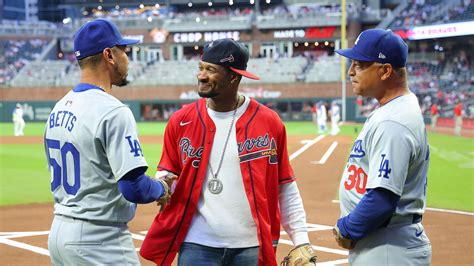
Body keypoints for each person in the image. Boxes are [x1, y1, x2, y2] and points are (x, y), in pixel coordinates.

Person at [140, 38, 316, 265]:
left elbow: (285, 185)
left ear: (234, 76)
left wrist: (301, 240)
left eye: (210, 70)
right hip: (197, 244)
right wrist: (164, 183)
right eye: (200, 68)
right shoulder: (180, 121)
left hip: (252, 246)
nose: (201, 76)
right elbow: (167, 170)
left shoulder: (268, 122)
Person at [44, 19, 174, 265]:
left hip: (59, 232)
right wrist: (162, 188)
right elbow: (133, 187)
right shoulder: (113, 111)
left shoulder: (59, 107)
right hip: (100, 240)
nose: (127, 57)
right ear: (109, 55)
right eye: (123, 50)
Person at [333, 29, 432, 265]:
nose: (351, 71)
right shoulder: (396, 109)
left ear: (385, 70)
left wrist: (346, 228)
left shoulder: (393, 121)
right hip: (385, 242)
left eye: (359, 64)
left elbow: (382, 198)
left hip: (387, 247)